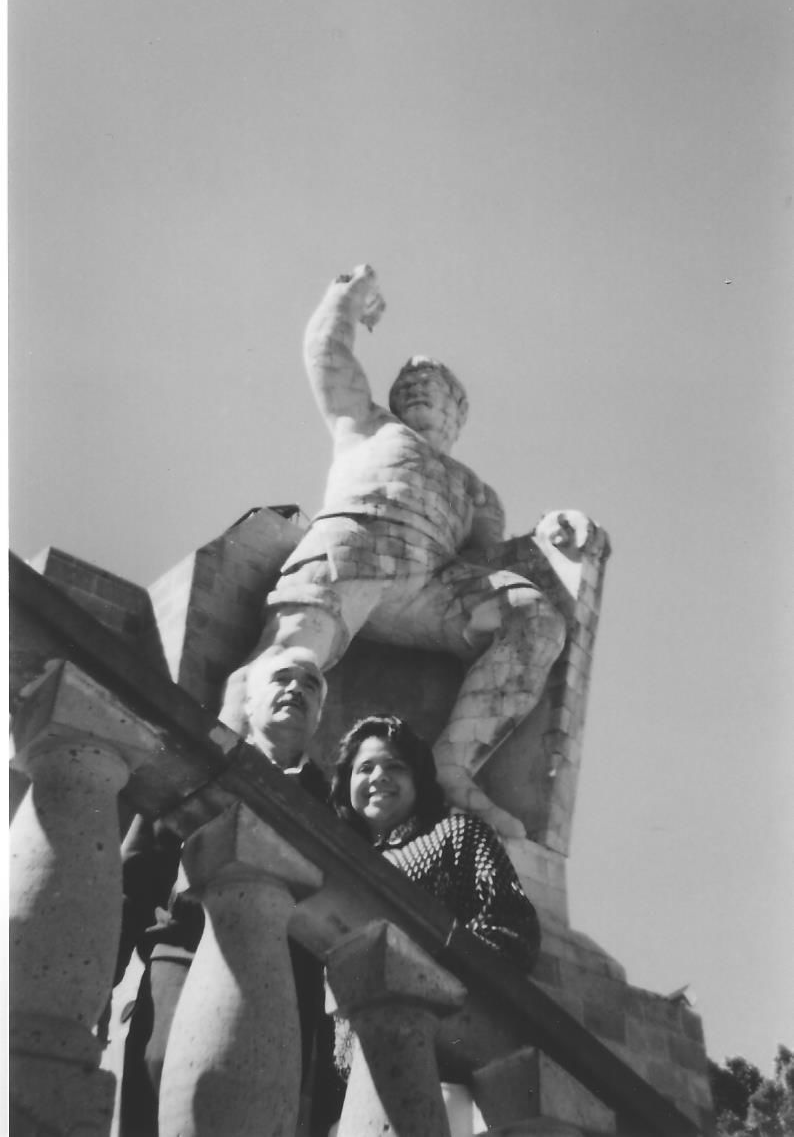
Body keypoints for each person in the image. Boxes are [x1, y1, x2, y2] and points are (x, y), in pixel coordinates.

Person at [220, 263, 582, 840]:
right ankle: (235, 758)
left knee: (536, 619)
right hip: (353, 548)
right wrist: (347, 297)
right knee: (289, 660)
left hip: (431, 586)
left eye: (432, 383)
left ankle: (452, 767)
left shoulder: (476, 491)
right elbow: (326, 351)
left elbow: (492, 562)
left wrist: (556, 536)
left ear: (455, 412)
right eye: (407, 382)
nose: (414, 384)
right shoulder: (367, 424)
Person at [115, 647, 337, 1137]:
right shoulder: (193, 768)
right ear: (251, 698)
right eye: (283, 678)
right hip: (182, 965)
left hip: (288, 994)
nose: (296, 689)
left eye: (311, 685)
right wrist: (98, 978)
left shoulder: (335, 809)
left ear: (319, 715)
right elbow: (135, 877)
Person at [327, 714, 541, 1134]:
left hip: (436, 1067)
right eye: (365, 767)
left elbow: (513, 928)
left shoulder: (457, 835)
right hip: (346, 1078)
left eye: (394, 766)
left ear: (419, 780)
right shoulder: (336, 862)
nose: (379, 777)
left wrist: (431, 971)